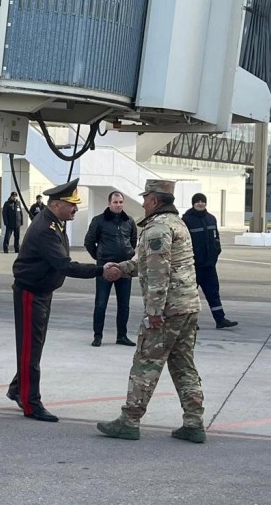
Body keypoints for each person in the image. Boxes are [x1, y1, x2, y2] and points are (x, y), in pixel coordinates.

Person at [97, 179, 205, 443]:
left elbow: (158, 273)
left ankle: (129, 420)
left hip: (167, 310)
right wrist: (121, 268)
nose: (143, 203)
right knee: (183, 366)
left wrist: (154, 312)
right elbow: (147, 263)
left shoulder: (158, 228)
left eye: (146, 199)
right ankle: (194, 422)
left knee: (145, 363)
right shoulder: (177, 223)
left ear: (155, 201)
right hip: (187, 307)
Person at [6, 178, 117, 422]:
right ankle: (31, 404)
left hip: (42, 292)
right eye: (72, 204)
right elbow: (65, 265)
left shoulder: (55, 222)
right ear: (56, 205)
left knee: (34, 346)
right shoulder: (46, 229)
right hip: (31, 293)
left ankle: (18, 388)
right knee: (29, 350)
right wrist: (101, 270)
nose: (76, 208)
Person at [84, 191, 138, 347]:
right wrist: (100, 258)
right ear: (109, 203)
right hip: (105, 267)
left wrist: (127, 257)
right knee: (101, 303)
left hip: (125, 268)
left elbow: (133, 242)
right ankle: (98, 336)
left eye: (120, 202)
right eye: (115, 202)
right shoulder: (98, 221)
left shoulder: (129, 221)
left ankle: (122, 335)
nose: (118, 205)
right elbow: (89, 242)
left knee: (124, 305)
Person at [182, 193, 238, 329]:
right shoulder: (186, 220)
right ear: (193, 203)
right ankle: (190, 322)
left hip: (209, 265)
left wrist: (216, 251)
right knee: (190, 295)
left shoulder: (211, 219)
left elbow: (216, 237)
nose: (200, 203)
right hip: (193, 265)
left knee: (213, 292)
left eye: (203, 201)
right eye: (197, 201)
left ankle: (220, 319)